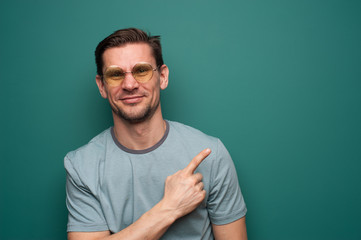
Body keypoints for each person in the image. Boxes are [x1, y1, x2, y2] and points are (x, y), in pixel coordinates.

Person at [65, 28, 247, 240]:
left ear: (162, 77)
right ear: (102, 86)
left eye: (141, 71)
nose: (130, 85)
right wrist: (169, 208)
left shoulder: (211, 155)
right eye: (115, 74)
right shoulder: (81, 166)